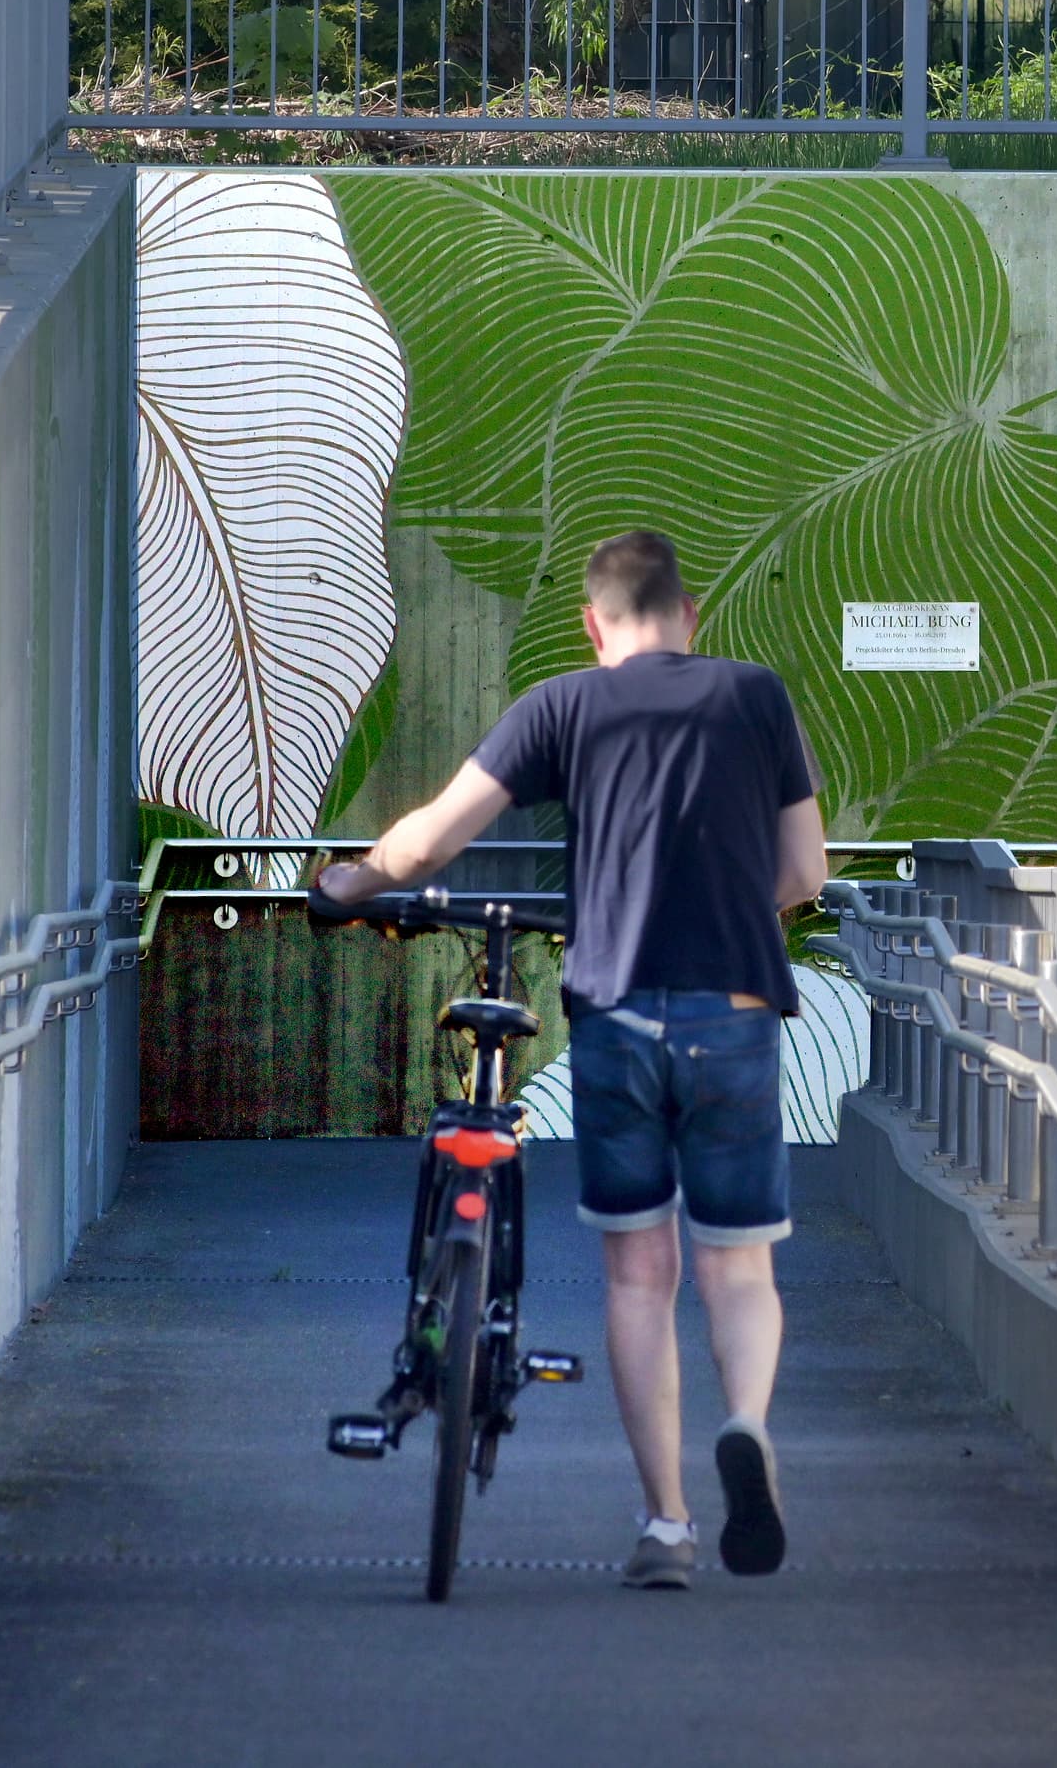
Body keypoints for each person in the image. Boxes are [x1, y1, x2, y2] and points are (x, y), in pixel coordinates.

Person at [316, 529, 828, 1593]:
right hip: (733, 1012)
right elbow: (804, 871)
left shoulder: (565, 704)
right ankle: (744, 1423)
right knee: (738, 1265)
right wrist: (734, 914)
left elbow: (425, 842)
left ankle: (669, 1526)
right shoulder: (756, 697)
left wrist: (350, 880)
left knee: (641, 1272)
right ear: (693, 616)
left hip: (617, 1016)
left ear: (595, 625)